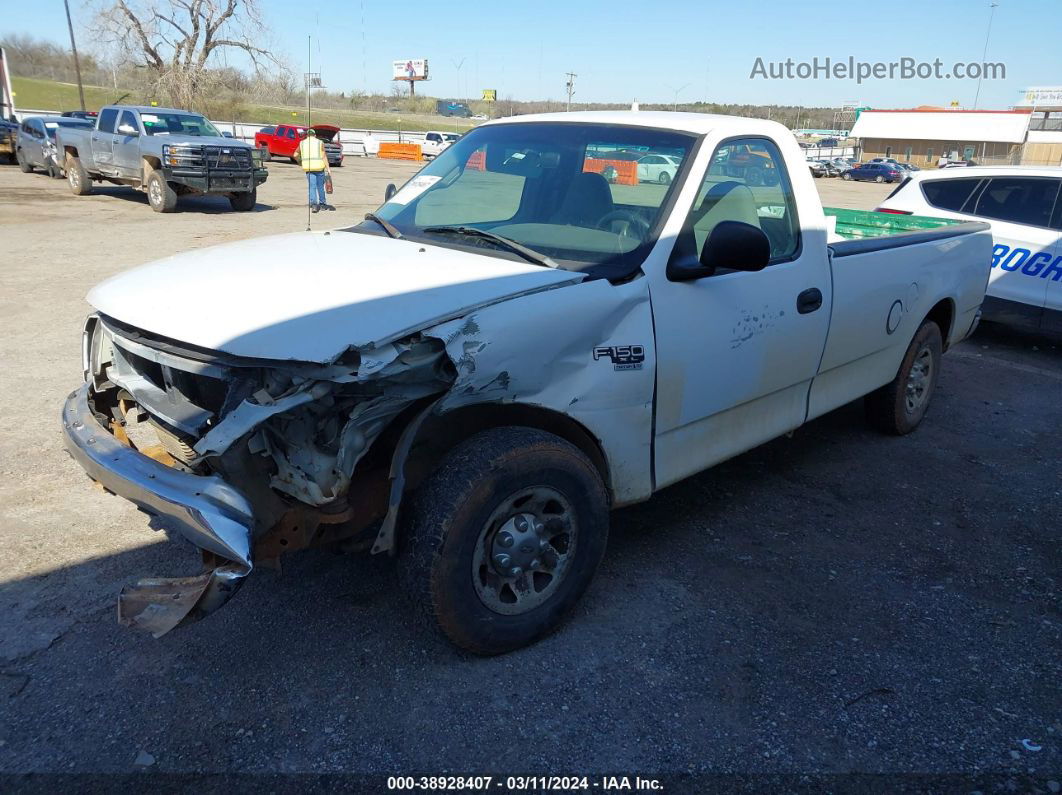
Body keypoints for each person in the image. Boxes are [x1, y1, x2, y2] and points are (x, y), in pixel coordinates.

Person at [297, 129, 333, 213]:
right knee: (320, 186)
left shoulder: (302, 143)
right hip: (319, 168)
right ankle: (323, 204)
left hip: (309, 169)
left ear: (307, 135)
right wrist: (328, 169)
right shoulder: (320, 142)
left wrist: (300, 162)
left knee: (312, 186)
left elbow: (295, 154)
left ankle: (314, 205)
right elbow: (324, 156)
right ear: (315, 135)